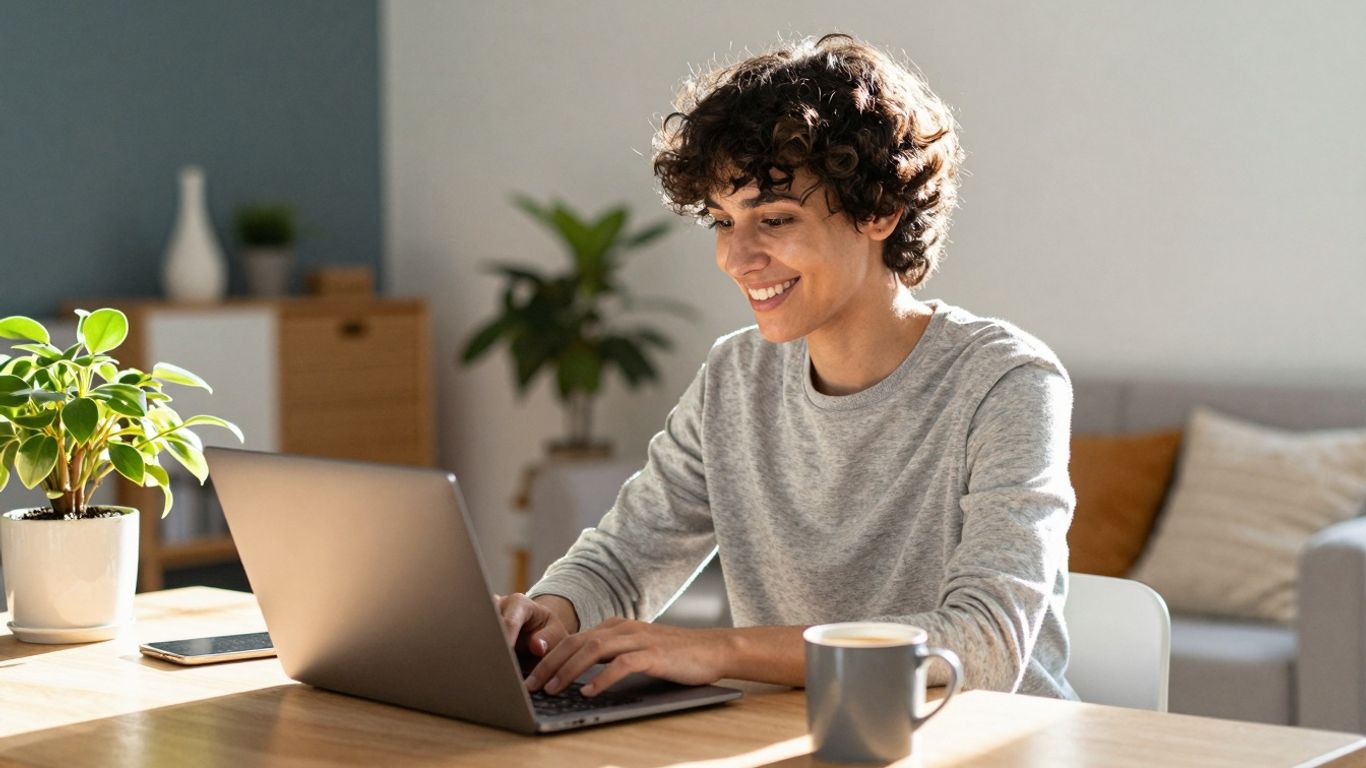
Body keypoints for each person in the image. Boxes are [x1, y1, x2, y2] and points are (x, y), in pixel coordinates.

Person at [498, 33, 1076, 700]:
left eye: (773, 219)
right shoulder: (735, 377)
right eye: (722, 220)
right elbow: (628, 558)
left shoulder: (1007, 382)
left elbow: (984, 644)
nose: (736, 259)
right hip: (797, 742)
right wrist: (548, 615)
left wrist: (721, 652)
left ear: (880, 210)